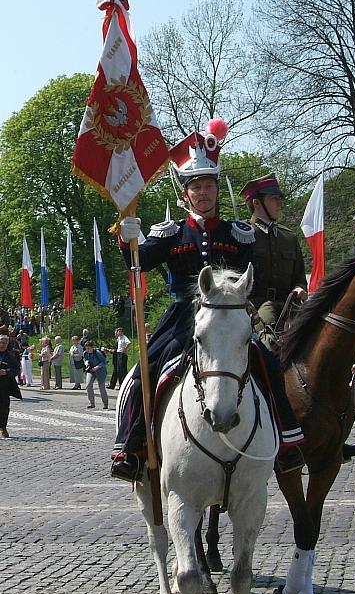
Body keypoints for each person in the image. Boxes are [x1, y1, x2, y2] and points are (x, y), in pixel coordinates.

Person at [110, 121, 257, 482]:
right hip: (182, 317)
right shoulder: (172, 233)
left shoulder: (237, 235)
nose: (202, 193)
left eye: (208, 186)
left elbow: (256, 276)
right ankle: (129, 445)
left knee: (269, 365)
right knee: (143, 373)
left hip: (229, 317)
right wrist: (126, 238)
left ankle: (288, 438)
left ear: (217, 190)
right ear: (186, 193)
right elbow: (137, 262)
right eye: (196, 187)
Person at [240, 173, 308, 351]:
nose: (280, 203)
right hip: (255, 310)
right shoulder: (242, 235)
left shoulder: (289, 237)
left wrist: (299, 287)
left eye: (279, 199)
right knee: (269, 346)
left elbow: (299, 277)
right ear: (256, 203)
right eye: (274, 199)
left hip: (289, 308)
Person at [0, 334, 22, 437]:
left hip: (4, 386)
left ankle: (3, 427)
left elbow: (17, 369)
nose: (2, 344)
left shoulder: (10, 356)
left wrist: (6, 371)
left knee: (4, 408)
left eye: (4, 343)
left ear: (7, 344)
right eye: (0, 342)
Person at [83, 340, 109, 410]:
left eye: (88, 348)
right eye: (86, 348)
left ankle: (105, 404)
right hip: (91, 371)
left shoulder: (97, 352)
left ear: (92, 347)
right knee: (88, 385)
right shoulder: (85, 353)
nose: (87, 350)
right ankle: (91, 403)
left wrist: (97, 367)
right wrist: (86, 363)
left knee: (101, 388)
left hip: (100, 371)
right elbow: (85, 359)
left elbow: (105, 361)